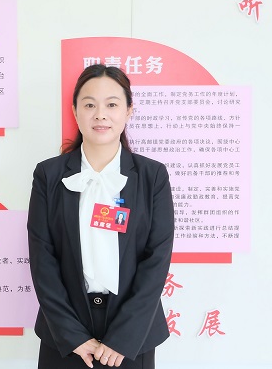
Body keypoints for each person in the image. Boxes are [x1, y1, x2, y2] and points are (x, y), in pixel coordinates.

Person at [27, 64, 175, 369]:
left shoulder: (152, 176)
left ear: (129, 111)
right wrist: (72, 336)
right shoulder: (48, 175)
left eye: (112, 105)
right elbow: (43, 260)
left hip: (133, 336)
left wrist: (123, 339)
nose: (100, 115)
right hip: (65, 337)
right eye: (89, 105)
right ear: (75, 111)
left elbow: (157, 260)